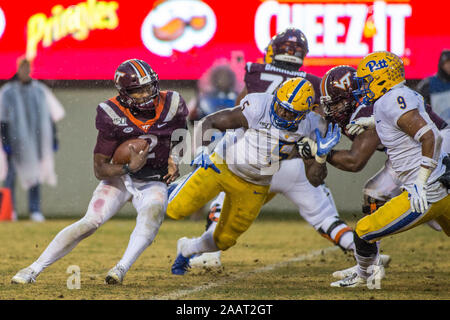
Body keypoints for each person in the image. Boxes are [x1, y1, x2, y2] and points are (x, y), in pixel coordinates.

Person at [187, 28, 357, 269]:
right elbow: (322, 119)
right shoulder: (314, 84)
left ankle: (210, 255)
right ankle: (363, 252)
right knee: (326, 218)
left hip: (254, 162)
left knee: (223, 203)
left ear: (274, 50)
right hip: (294, 162)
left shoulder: (256, 73)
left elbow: (240, 111)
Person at [10, 58, 188, 284]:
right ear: (124, 93)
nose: (145, 95)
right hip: (120, 178)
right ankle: (33, 269)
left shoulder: (173, 103)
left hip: (153, 179)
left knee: (151, 215)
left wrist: (176, 157)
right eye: (138, 91)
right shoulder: (110, 112)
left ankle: (120, 268)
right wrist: (127, 167)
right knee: (90, 222)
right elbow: (100, 169)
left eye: (148, 87)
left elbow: (182, 135)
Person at [167, 76, 342, 275]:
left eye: (290, 112)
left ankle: (187, 248)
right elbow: (211, 121)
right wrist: (201, 151)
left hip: (256, 185)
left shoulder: (313, 126)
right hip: (222, 166)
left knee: (223, 241)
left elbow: (315, 179)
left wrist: (320, 156)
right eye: (280, 106)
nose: (282, 113)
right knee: (175, 210)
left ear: (304, 114)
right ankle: (169, 188)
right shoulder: (259, 105)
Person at [303, 64, 450, 279]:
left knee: (416, 195)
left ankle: (371, 260)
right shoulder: (370, 107)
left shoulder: (373, 105)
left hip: (436, 146)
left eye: (337, 102)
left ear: (351, 96)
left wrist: (321, 152)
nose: (331, 110)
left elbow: (355, 161)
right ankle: (371, 261)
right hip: (414, 151)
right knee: (375, 194)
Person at [0, 58, 65, 222]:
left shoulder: (39, 90)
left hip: (35, 141)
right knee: (11, 175)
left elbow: (48, 116)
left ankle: (35, 210)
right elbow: (3, 119)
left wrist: (53, 137)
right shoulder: (8, 91)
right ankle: (10, 209)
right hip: (15, 141)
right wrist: (6, 141)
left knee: (35, 175)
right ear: (18, 69)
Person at [416, 49, 450, 122]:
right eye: (447, 63)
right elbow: (420, 108)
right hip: (439, 129)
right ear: (442, 65)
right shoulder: (428, 84)